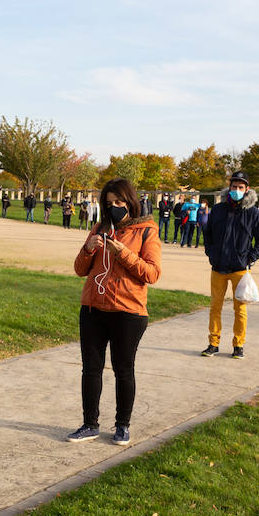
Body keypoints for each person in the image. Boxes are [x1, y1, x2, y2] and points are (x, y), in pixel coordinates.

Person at [67, 178, 162, 446]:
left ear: (130, 201)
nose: (115, 207)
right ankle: (90, 424)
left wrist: (122, 253)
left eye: (119, 202)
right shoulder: (100, 227)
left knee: (124, 370)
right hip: (93, 309)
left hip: (128, 312)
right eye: (109, 203)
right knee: (91, 369)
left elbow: (152, 273)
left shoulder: (146, 231)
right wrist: (88, 249)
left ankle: (122, 426)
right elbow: (79, 269)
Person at [200, 171, 259, 358]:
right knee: (215, 307)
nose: (236, 190)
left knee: (240, 309)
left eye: (240, 187)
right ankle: (213, 343)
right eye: (233, 187)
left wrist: (249, 258)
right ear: (229, 188)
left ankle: (238, 345)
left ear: (247, 190)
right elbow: (208, 234)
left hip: (239, 269)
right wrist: (211, 253)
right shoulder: (218, 210)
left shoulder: (253, 213)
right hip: (218, 267)